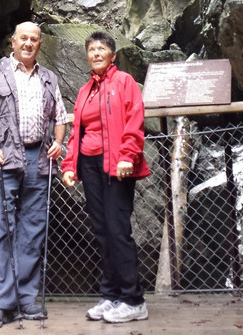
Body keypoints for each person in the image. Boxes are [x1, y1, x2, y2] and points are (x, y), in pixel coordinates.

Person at [0, 21, 67, 330]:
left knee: (33, 228)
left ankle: (26, 299)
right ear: (13, 41)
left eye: (34, 39)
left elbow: (60, 117)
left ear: (39, 44)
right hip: (3, 157)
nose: (28, 43)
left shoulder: (49, 78)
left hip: (38, 158)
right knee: (0, 227)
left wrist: (58, 141)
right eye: (23, 38)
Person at [61, 30, 150, 324]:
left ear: (112, 55)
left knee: (117, 230)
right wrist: (69, 165)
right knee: (101, 231)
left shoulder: (124, 82)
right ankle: (111, 295)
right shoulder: (85, 90)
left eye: (101, 49)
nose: (96, 53)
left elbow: (135, 119)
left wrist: (128, 155)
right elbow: (77, 132)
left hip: (117, 164)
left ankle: (134, 300)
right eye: (91, 49)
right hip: (89, 165)